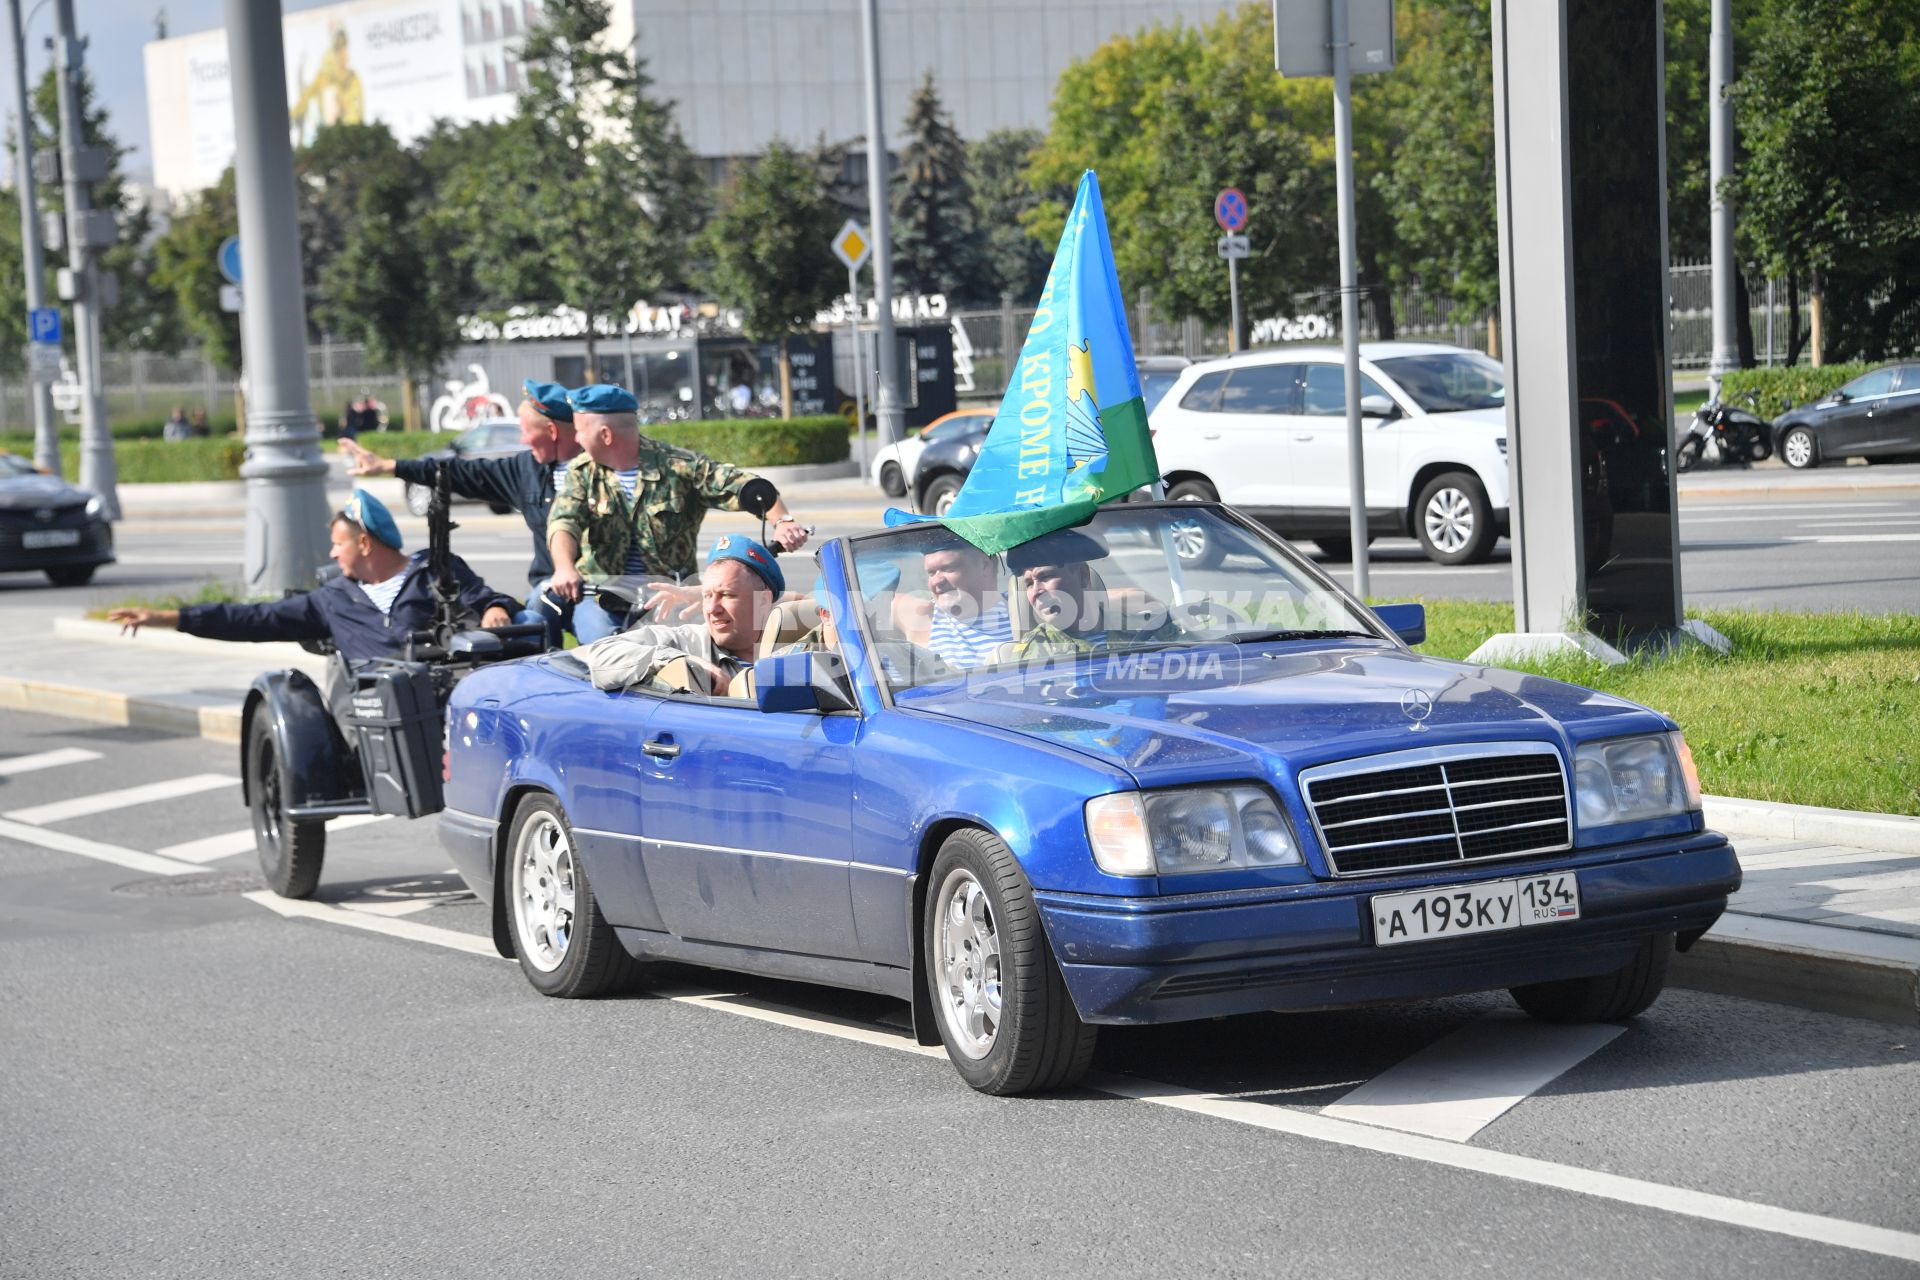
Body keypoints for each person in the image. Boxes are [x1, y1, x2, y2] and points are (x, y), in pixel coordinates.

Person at [107, 490, 517, 664]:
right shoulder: (332, 598)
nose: (332, 553)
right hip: (381, 710)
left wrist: (495, 609)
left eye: (340, 544)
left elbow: (487, 597)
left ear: (366, 543)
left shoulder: (436, 569)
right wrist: (172, 619)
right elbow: (257, 619)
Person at [544, 383, 810, 644]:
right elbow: (564, 521)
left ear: (605, 435)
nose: (576, 439)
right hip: (603, 596)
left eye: (579, 431)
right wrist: (565, 567)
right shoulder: (581, 473)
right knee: (605, 652)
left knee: (697, 658)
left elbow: (743, 486)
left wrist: (782, 521)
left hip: (672, 598)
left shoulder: (678, 466)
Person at [341, 379, 582, 644]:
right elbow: (458, 472)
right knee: (528, 631)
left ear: (552, 430)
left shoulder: (599, 470)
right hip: (549, 587)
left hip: (598, 586)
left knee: (605, 642)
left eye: (526, 431)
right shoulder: (526, 470)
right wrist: (391, 466)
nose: (523, 440)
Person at [579, 534, 784, 694]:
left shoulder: (793, 650)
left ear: (763, 601)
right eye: (707, 596)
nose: (712, 608)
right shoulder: (687, 642)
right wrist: (678, 660)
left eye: (727, 595)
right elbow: (601, 654)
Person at [1006, 529, 1180, 660]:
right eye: (1029, 584)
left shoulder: (1144, 627)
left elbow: (1196, 651)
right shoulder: (1033, 653)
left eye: (1046, 576)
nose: (1036, 591)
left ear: (1083, 575)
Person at [890, 536, 1012, 669]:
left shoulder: (1022, 609)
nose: (937, 581)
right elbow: (869, 599)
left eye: (948, 569)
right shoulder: (923, 616)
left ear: (984, 565)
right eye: (931, 573)